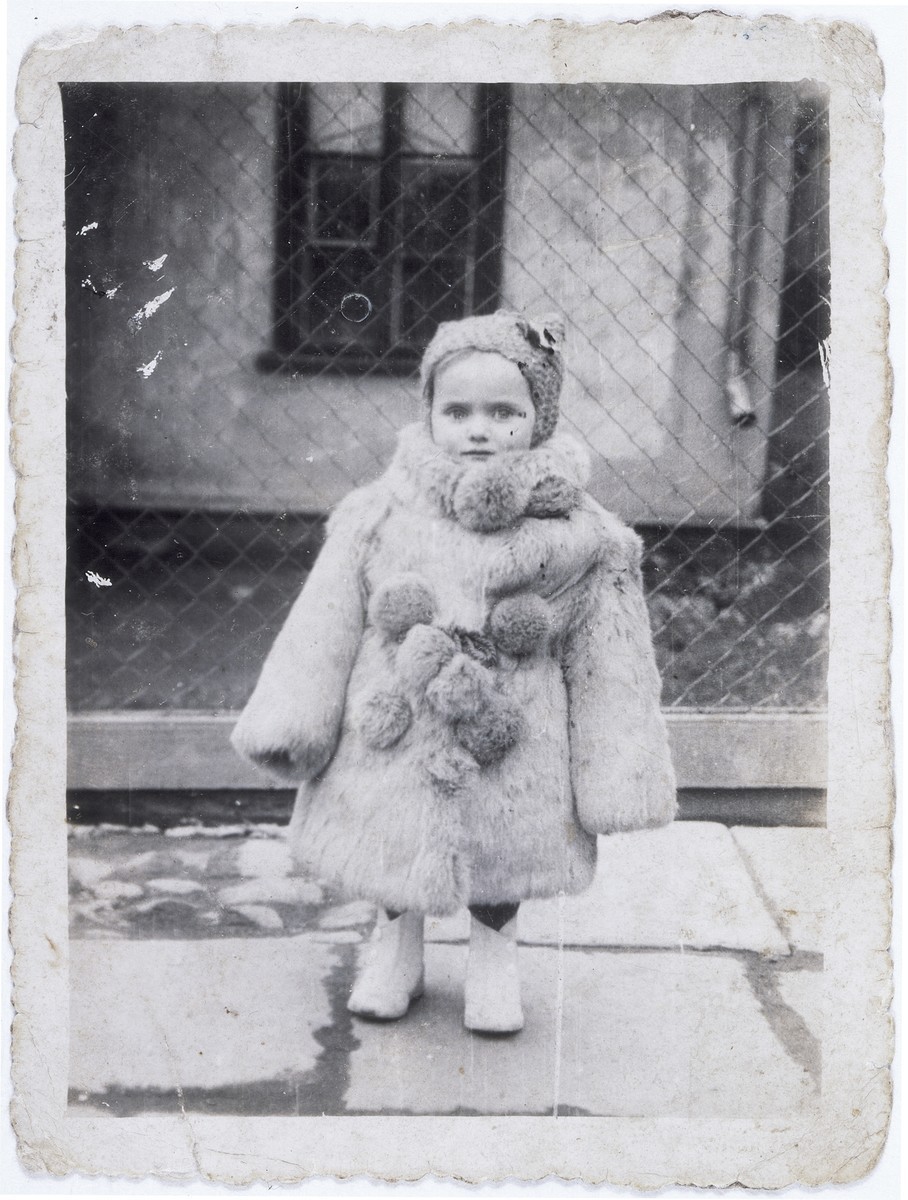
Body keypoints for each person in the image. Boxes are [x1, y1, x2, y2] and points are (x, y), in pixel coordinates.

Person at [232, 310, 676, 1034]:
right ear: (430, 414)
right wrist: (292, 720)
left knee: (504, 848)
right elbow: (323, 622)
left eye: (504, 412)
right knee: (392, 839)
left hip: (516, 735)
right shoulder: (379, 512)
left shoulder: (581, 535)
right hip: (395, 726)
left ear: (540, 417)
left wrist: (619, 774)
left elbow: (613, 660)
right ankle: (395, 945)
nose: (478, 429)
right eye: (457, 410)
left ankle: (494, 956)